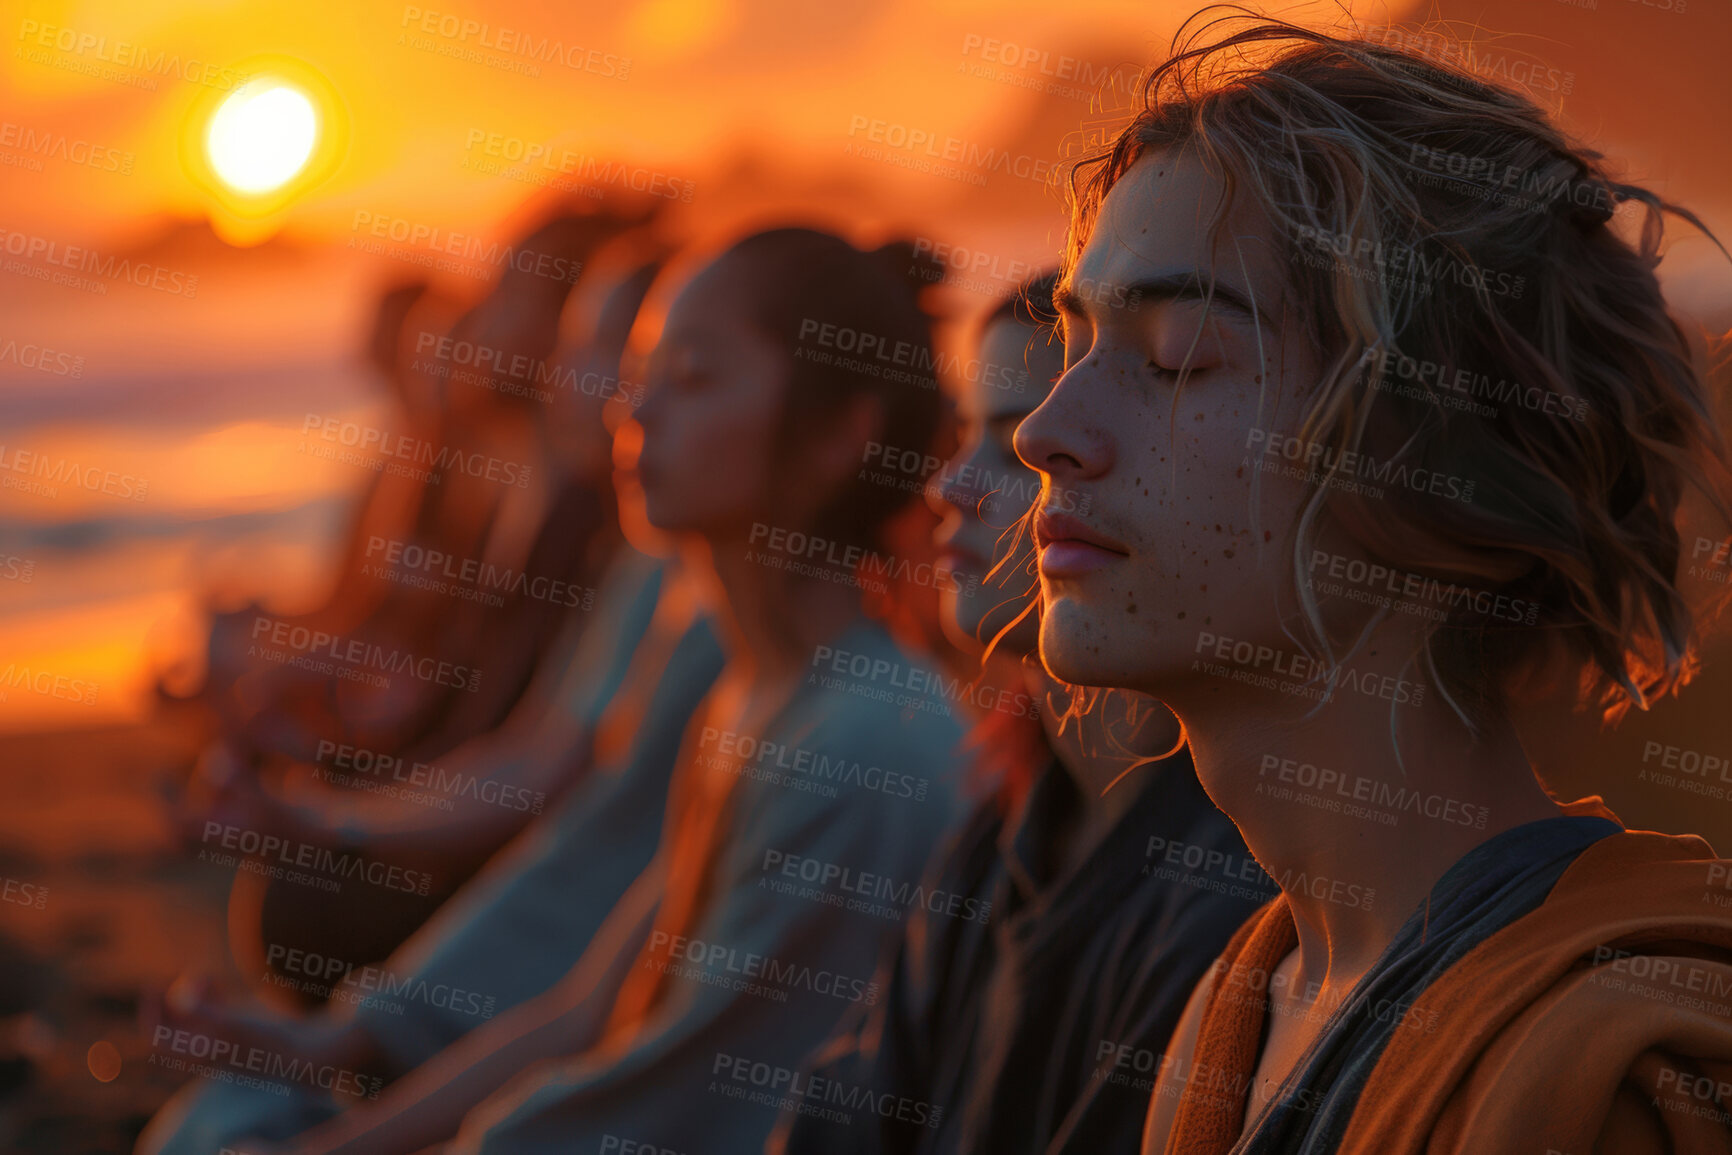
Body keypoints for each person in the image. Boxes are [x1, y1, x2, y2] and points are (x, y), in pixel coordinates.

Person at [1007, 14, 1732, 1154]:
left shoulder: (1608, 1083)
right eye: (1077, 344)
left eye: (1179, 357)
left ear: (1449, 470)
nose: (1046, 432)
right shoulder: (1239, 1008)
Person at [216, 227, 969, 1155]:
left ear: (839, 436)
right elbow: (589, 1013)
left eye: (693, 377)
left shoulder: (862, 745)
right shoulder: (753, 699)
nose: (633, 404)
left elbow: (675, 1099)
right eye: (639, 370)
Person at [771, 272, 1267, 1155]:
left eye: (1017, 446)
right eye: (966, 435)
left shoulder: (1230, 897)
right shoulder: (1003, 829)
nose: (948, 486)